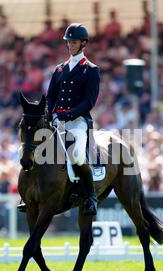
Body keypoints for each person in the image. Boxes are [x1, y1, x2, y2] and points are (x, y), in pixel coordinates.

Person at [47, 23, 101, 216]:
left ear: (83, 43)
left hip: (78, 122)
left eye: (74, 41)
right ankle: (29, 195)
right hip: (57, 121)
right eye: (68, 41)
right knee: (35, 150)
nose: (70, 44)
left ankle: (91, 196)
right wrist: (51, 114)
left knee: (77, 155)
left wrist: (67, 114)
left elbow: (89, 101)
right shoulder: (59, 70)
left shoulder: (90, 70)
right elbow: (51, 96)